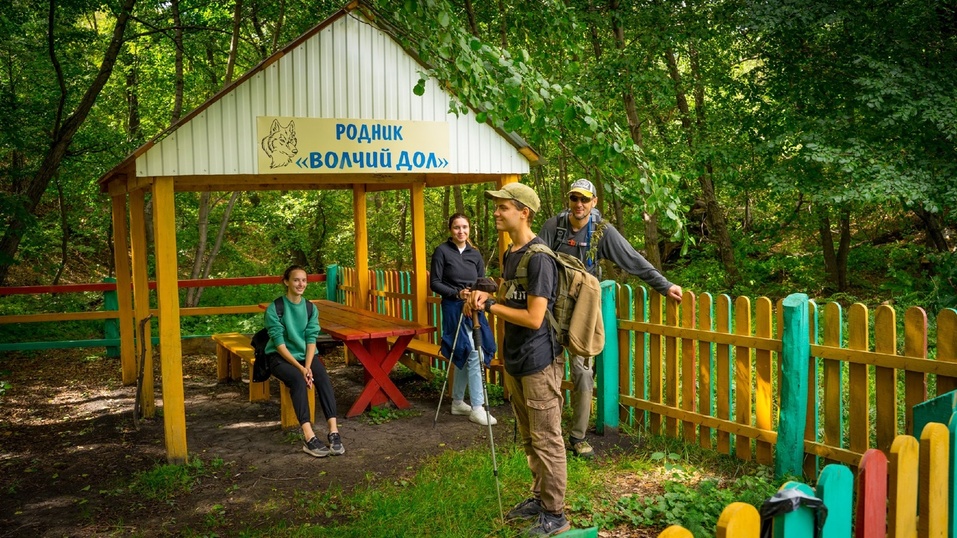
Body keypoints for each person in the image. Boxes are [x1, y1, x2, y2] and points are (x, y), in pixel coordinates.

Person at [538, 178, 683, 459]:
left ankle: (577, 437)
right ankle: (547, 431)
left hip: (582, 310)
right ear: (568, 201)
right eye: (574, 199)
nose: (579, 204)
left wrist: (664, 286)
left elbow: (632, 259)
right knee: (545, 370)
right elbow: (535, 259)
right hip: (550, 308)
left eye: (584, 200)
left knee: (582, 372)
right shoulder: (553, 227)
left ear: (594, 203)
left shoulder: (601, 232)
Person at [469, 182, 570, 537]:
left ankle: (556, 513)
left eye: (503, 207)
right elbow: (514, 293)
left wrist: (490, 306)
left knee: (547, 438)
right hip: (515, 358)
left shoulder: (540, 257)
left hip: (540, 359)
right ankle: (540, 498)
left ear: (523, 212)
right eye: (496, 206)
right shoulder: (512, 253)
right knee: (529, 437)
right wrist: (489, 291)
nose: (496, 212)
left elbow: (534, 317)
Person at [263, 265, 345, 458]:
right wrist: (301, 369)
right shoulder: (275, 308)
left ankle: (334, 431)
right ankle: (309, 437)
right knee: (298, 380)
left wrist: (307, 366)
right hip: (280, 357)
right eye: (296, 280)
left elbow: (311, 339)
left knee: (323, 378)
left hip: (305, 355)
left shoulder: (310, 308)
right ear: (286, 282)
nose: (301, 284)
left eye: (304, 280)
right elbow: (279, 343)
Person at [429, 213, 498, 426]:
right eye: (457, 227)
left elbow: (481, 281)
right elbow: (435, 283)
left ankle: (458, 402)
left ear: (469, 229)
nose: (461, 231)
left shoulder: (474, 254)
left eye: (465, 227)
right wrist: (457, 294)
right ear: (450, 229)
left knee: (474, 350)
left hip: (474, 308)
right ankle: (477, 407)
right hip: (453, 307)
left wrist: (475, 296)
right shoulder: (441, 251)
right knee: (468, 351)